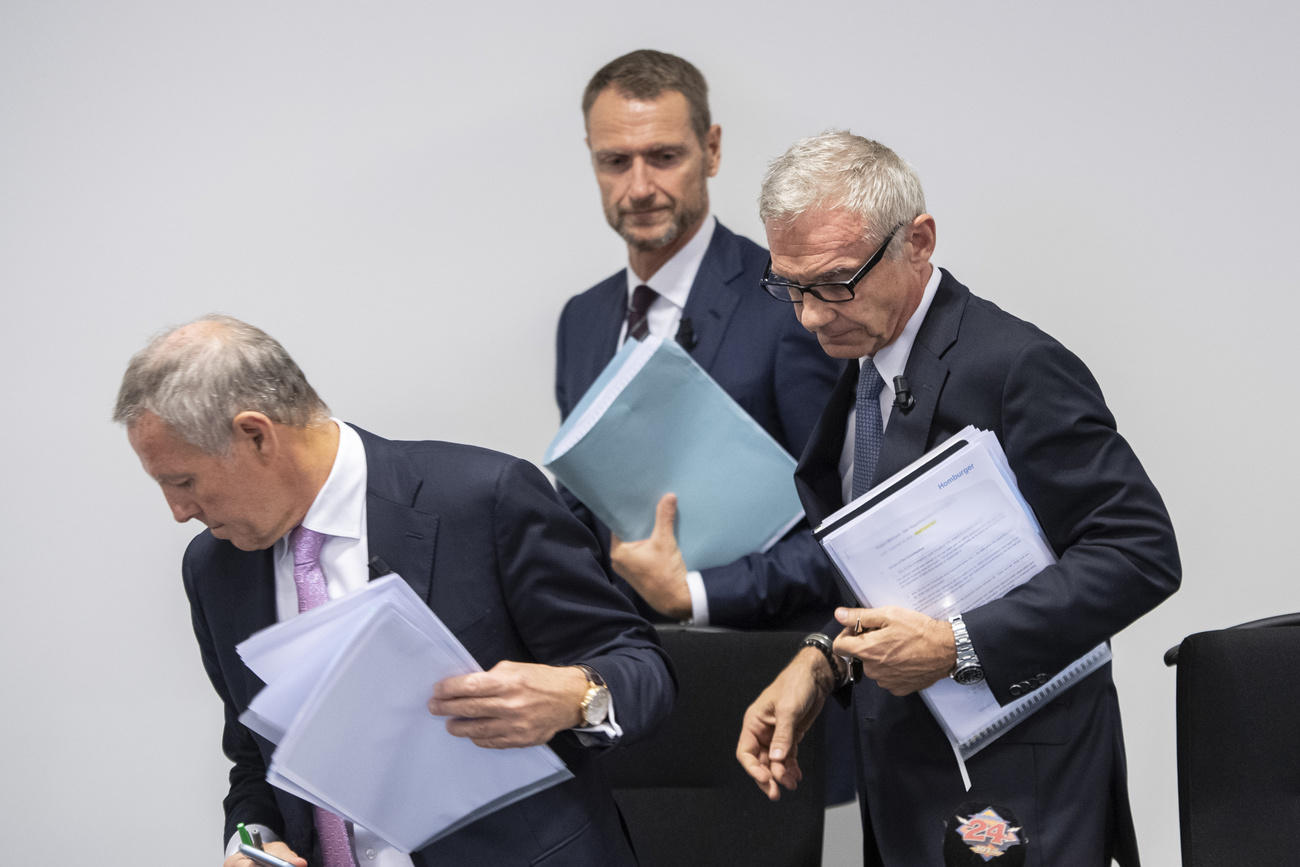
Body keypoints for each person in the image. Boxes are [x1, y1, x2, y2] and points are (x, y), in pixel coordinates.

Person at [735, 132, 1181, 865]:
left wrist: (958, 645)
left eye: (836, 281)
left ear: (919, 240)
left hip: (1025, 788)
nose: (811, 314)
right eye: (790, 285)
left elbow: (1140, 553)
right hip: (904, 783)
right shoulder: (860, 367)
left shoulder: (1015, 365)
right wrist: (822, 658)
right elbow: (885, 579)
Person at [115, 315, 674, 867]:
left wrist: (577, 697)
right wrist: (250, 838)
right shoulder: (214, 569)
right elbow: (252, 758)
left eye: (182, 481)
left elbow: (643, 667)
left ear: (256, 435)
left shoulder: (484, 499)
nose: (178, 511)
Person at [556, 49, 843, 630]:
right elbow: (591, 509)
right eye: (615, 161)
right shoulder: (580, 320)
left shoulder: (789, 304)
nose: (638, 187)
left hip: (759, 659)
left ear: (710, 150)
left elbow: (846, 524)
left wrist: (697, 593)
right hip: (624, 667)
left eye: (664, 157)